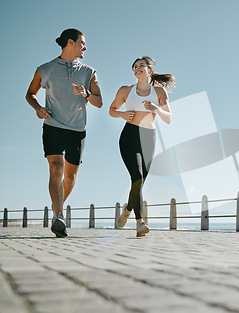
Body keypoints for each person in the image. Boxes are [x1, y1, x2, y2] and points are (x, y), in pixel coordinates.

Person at [25, 28, 102, 237]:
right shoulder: (46, 69)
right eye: (82, 43)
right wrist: (38, 108)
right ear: (70, 42)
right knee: (56, 169)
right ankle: (59, 216)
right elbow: (30, 94)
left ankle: (56, 209)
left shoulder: (89, 72)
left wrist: (86, 94)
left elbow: (99, 102)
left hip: (77, 130)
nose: (85, 47)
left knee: (70, 178)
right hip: (53, 126)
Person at [109, 56, 174, 237]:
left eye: (142, 66)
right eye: (135, 66)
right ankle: (140, 223)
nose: (137, 68)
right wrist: (122, 115)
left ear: (150, 70)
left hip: (149, 138)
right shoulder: (126, 90)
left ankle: (128, 209)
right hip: (129, 136)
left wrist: (156, 108)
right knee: (137, 177)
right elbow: (111, 109)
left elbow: (168, 118)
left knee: (140, 182)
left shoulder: (159, 91)